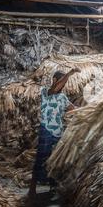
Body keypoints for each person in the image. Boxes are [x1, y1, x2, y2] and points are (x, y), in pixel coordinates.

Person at [28, 68, 81, 199]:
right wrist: (70, 73)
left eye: (65, 81)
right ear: (55, 80)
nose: (64, 84)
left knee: (55, 160)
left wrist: (93, 109)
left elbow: (75, 110)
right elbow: (55, 88)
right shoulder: (46, 92)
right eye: (63, 81)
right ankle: (32, 189)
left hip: (58, 133)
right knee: (41, 158)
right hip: (46, 130)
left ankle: (53, 188)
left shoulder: (63, 98)